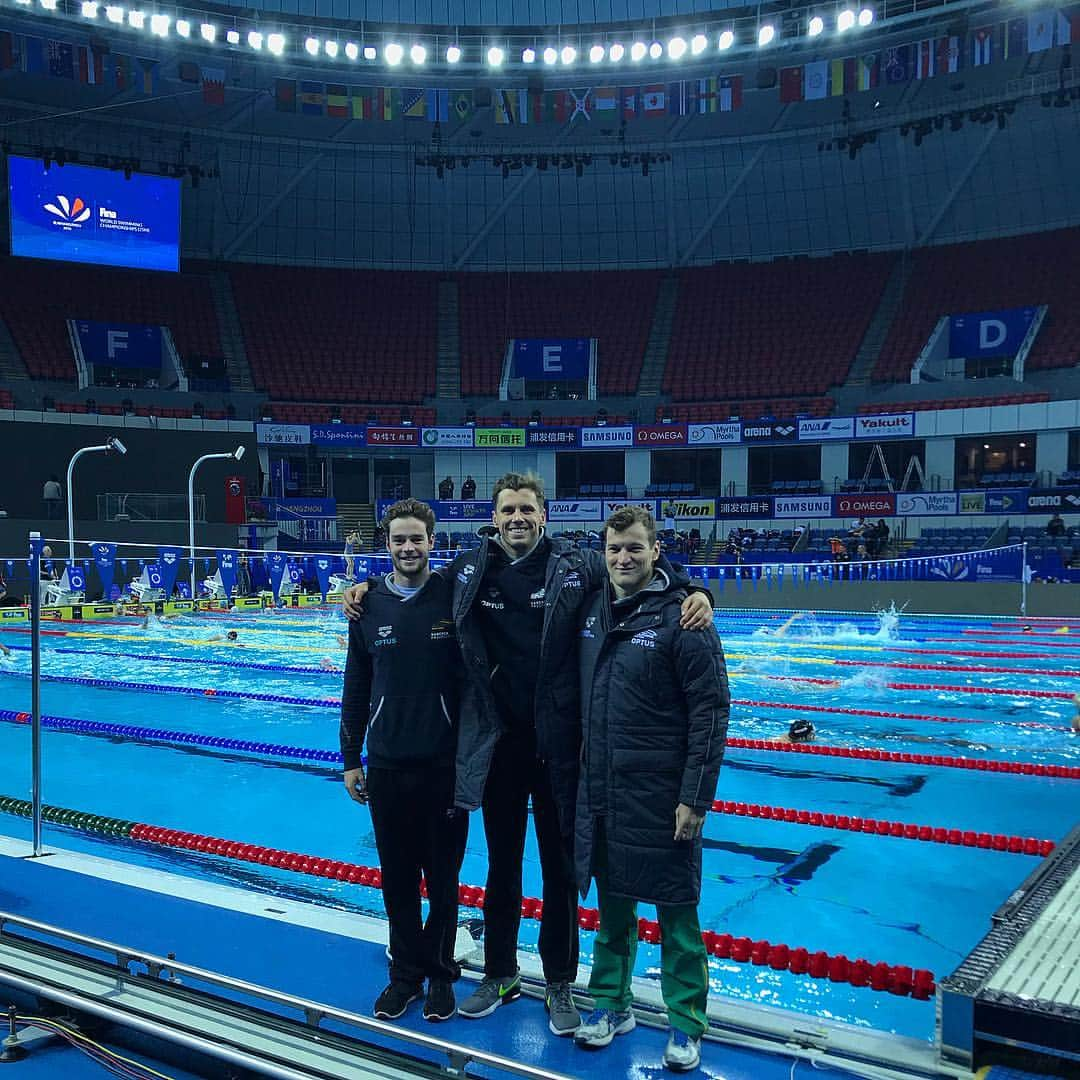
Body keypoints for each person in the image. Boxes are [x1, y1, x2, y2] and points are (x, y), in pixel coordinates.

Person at [343, 473, 714, 1038]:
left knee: (561, 869)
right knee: (502, 865)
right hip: (499, 744)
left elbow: (636, 567)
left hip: (560, 744)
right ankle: (499, 973)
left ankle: (561, 979)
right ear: (494, 518)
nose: (516, 518)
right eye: (507, 510)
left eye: (526, 509)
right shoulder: (469, 569)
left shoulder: (577, 564)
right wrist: (365, 587)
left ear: (544, 515)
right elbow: (411, 580)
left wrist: (696, 590)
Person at [573, 506, 729, 1072]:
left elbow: (710, 712)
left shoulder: (684, 619)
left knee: (678, 919)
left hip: (664, 797)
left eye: (635, 548)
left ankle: (687, 1023)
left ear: (656, 551)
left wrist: (696, 797)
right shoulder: (593, 609)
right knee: (612, 916)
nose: (623, 558)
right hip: (606, 795)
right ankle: (611, 1005)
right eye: (615, 549)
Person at [340, 498, 467, 1023]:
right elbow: (355, 684)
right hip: (388, 764)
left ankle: (440, 976)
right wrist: (351, 757)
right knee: (396, 879)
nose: (408, 548)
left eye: (417, 539)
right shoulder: (367, 606)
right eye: (399, 540)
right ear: (386, 545)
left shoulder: (455, 595)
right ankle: (405, 977)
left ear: (432, 542)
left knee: (442, 879)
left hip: (443, 764)